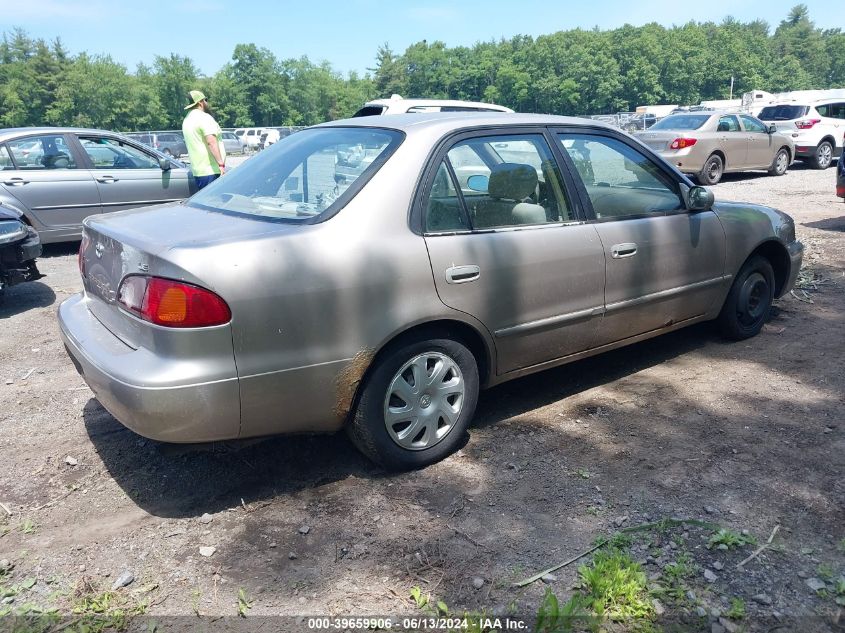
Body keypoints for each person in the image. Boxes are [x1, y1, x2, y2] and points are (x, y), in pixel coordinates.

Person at [181, 90, 226, 190]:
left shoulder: (187, 120)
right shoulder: (204, 117)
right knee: (214, 202)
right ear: (200, 102)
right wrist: (221, 164)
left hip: (198, 171)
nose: (207, 103)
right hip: (211, 170)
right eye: (206, 100)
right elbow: (211, 142)